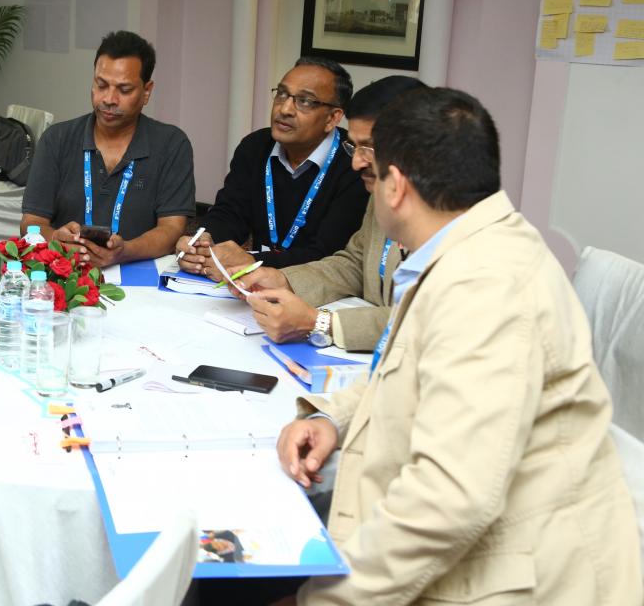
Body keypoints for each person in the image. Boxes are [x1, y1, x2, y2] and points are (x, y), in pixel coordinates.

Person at [273, 87, 642, 605]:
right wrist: (330, 419)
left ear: (396, 186)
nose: (365, 176)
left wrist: (325, 599)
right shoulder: (460, 246)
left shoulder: (487, 287)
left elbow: (449, 500)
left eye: (373, 170)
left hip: (512, 583)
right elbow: (402, 367)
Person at [227, 76, 426, 350]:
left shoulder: (444, 218)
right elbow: (354, 263)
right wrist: (283, 279)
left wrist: (319, 322)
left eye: (368, 148)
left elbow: (420, 320)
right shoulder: (381, 191)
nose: (356, 162)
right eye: (354, 147)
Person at [176, 57, 366, 275]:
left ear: (333, 118)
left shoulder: (354, 162)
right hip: (255, 288)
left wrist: (251, 261)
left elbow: (329, 253)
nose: (285, 109)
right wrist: (202, 241)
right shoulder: (255, 146)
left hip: (321, 292)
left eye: (304, 101)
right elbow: (230, 214)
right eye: (282, 94)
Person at [20, 30, 194, 267]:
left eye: (124, 90)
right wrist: (55, 240)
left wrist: (125, 251)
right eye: (101, 85)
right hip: (67, 273)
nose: (109, 99)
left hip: (141, 278)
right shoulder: (57, 139)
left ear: (146, 92)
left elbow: (172, 228)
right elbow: (31, 223)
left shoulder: (171, 144)